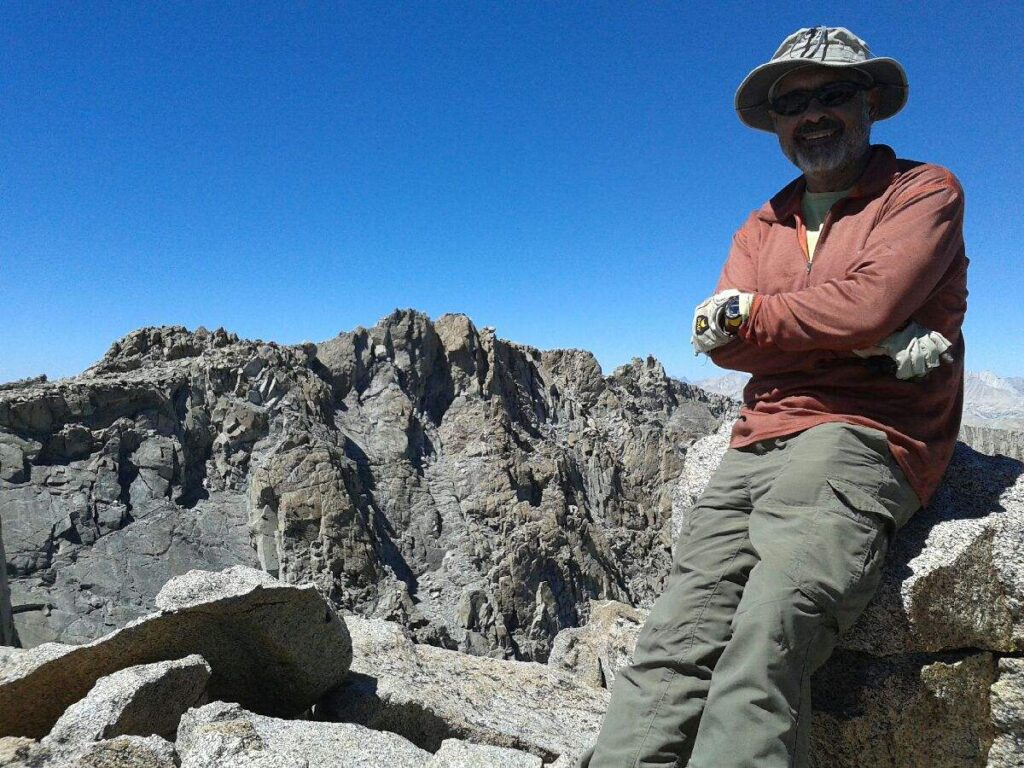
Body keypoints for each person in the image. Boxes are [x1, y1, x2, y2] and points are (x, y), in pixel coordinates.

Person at [578, 26, 967, 768]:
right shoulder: (762, 224)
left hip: (865, 433)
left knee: (767, 636)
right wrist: (869, 332)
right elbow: (725, 344)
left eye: (833, 94)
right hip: (758, 438)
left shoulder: (923, 191)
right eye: (793, 103)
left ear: (871, 103)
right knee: (671, 646)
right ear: (777, 124)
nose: (812, 114)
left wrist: (774, 316)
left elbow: (856, 306)